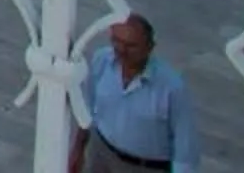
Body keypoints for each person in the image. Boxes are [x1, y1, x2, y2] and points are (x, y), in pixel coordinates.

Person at [69, 12, 198, 172]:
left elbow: (184, 148)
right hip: (102, 155)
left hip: (144, 166)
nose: (122, 50)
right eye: (117, 41)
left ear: (149, 47)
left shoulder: (172, 88)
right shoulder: (101, 61)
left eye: (131, 45)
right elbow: (88, 108)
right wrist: (78, 149)